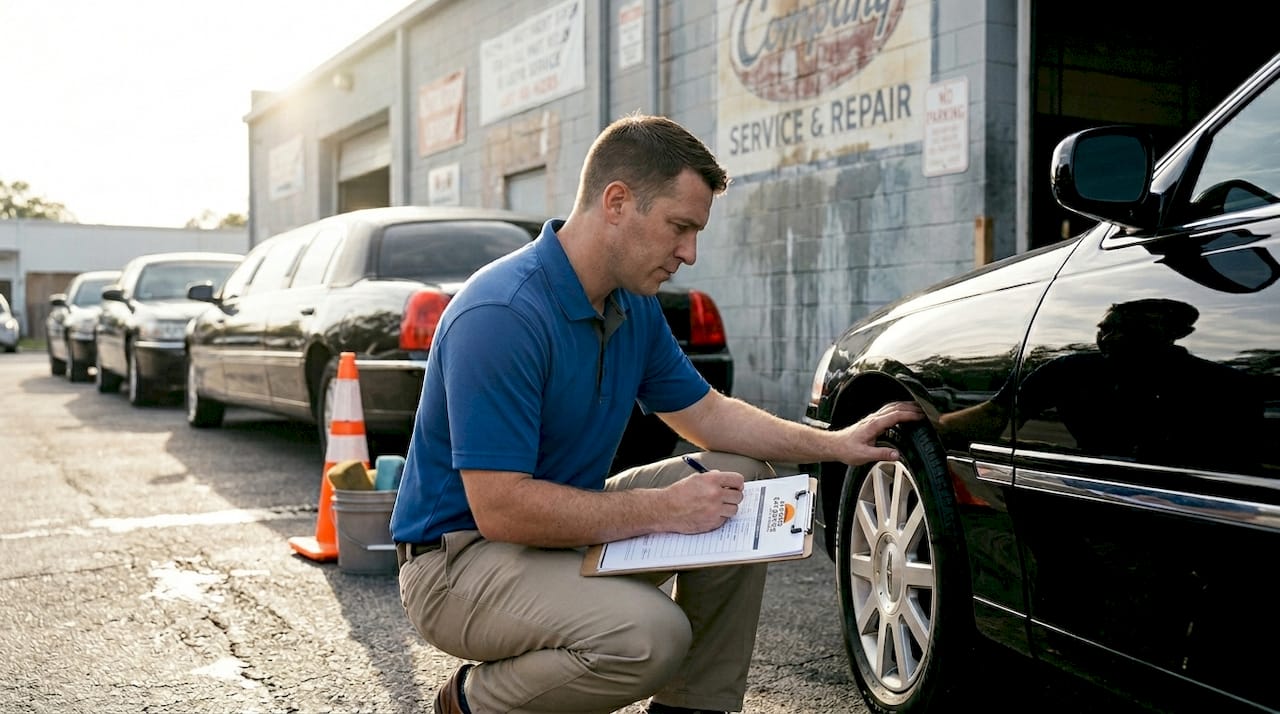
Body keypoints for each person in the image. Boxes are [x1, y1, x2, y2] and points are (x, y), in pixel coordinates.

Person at [389, 113, 924, 714]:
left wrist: (838, 442)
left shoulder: (631, 306)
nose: (688, 254)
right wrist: (661, 510)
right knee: (650, 637)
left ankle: (695, 707)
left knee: (743, 480)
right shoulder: (501, 314)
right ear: (617, 202)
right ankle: (470, 702)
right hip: (459, 561)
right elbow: (503, 507)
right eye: (679, 227)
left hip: (560, 531)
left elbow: (710, 416)